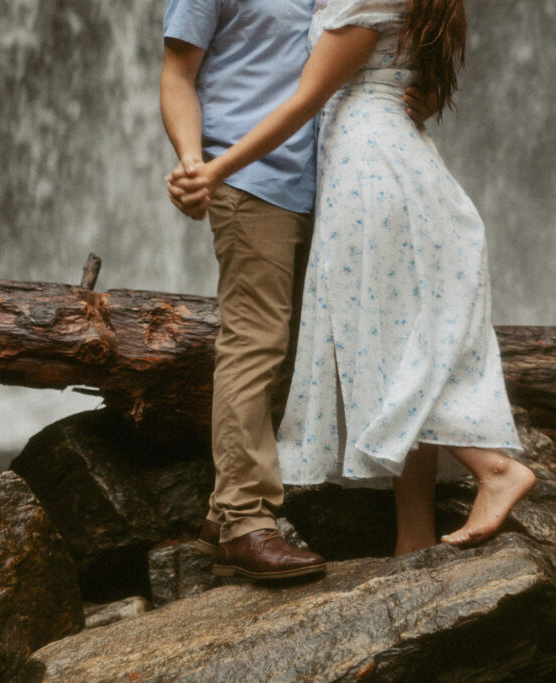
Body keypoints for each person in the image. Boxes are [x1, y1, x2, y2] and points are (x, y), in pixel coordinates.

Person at [170, 0, 537, 557]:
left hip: (361, 172)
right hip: (348, 169)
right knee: (392, 337)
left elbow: (310, 96)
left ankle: (494, 470)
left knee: (391, 343)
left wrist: (211, 171)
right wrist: (201, 163)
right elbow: (181, 70)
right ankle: (406, 537)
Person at [159, 0, 436, 578]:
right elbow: (177, 73)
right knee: (255, 340)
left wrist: (418, 93)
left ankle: (223, 511)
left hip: (334, 181)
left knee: (289, 351)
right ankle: (245, 522)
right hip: (247, 178)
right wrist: (193, 162)